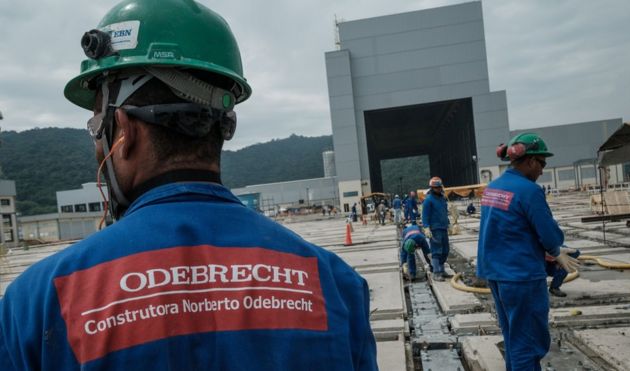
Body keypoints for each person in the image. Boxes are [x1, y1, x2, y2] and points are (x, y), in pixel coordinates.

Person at [0, 1, 377, 369]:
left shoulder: (36, 305)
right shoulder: (334, 284)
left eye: (96, 127)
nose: (97, 144)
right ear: (224, 127)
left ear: (124, 131)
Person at [477, 133, 579, 370]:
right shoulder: (528, 190)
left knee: (514, 336)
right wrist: (556, 249)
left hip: (495, 273)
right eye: (542, 163)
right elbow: (549, 234)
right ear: (530, 161)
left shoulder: (492, 188)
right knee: (528, 342)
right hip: (521, 276)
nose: (543, 170)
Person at [422, 177, 452, 281]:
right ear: (432, 188)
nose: (438, 189)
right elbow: (425, 215)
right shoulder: (428, 200)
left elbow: (444, 212)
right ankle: (436, 272)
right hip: (435, 229)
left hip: (443, 228)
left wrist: (448, 223)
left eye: (439, 187)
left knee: (445, 250)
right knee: (436, 251)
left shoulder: (443, 198)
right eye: (436, 188)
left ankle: (442, 270)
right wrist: (426, 227)